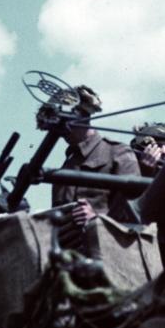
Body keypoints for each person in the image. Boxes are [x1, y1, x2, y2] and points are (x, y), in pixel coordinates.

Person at [43, 85, 141, 228]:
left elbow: (135, 210)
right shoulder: (67, 165)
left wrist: (97, 219)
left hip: (107, 243)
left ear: (82, 117)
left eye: (64, 123)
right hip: (68, 245)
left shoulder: (117, 152)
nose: (62, 131)